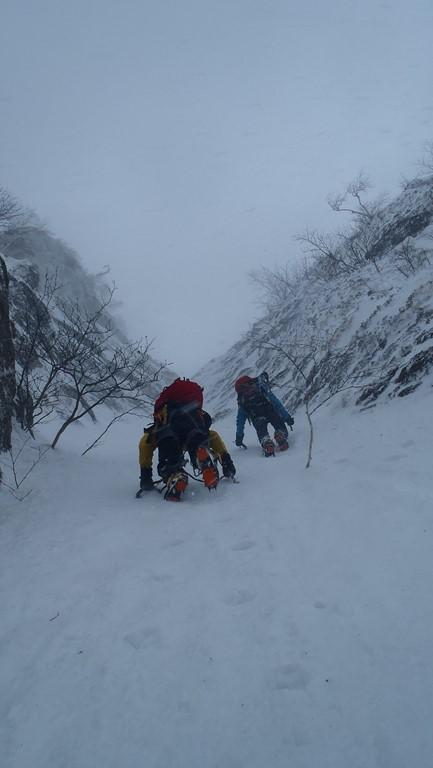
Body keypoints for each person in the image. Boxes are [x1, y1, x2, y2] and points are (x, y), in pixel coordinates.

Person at [139, 377, 236, 501]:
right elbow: (214, 436)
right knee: (201, 439)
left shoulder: (165, 406)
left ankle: (174, 474)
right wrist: (227, 463)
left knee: (164, 446)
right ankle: (200, 455)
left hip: (169, 434)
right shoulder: (195, 408)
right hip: (194, 431)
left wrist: (145, 475)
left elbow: (145, 445)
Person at [234, 371, 294, 456]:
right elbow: (276, 403)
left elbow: (240, 420)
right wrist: (287, 417)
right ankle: (281, 434)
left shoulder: (242, 400)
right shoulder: (261, 388)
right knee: (279, 424)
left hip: (257, 418)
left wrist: (239, 436)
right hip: (271, 411)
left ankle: (266, 442)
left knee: (261, 431)